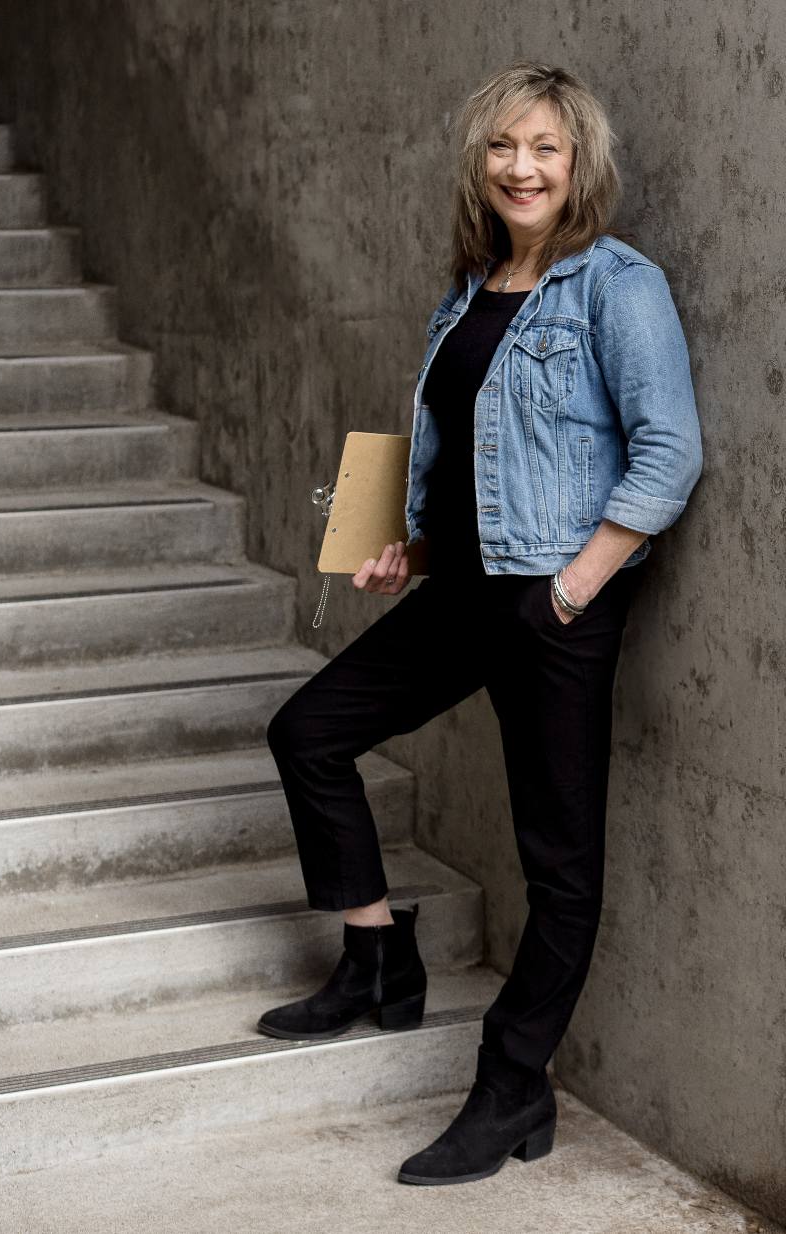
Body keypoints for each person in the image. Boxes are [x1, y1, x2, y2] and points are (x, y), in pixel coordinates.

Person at [258, 59, 703, 1186]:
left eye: (544, 148)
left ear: (576, 163)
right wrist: (406, 539)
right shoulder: (464, 292)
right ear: (481, 161)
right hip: (460, 586)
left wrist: (572, 587)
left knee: (557, 863)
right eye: (504, 146)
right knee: (308, 732)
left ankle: (511, 1086)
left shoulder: (615, 284)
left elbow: (668, 452)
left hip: (553, 606)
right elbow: (466, 454)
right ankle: (373, 957)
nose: (521, 166)